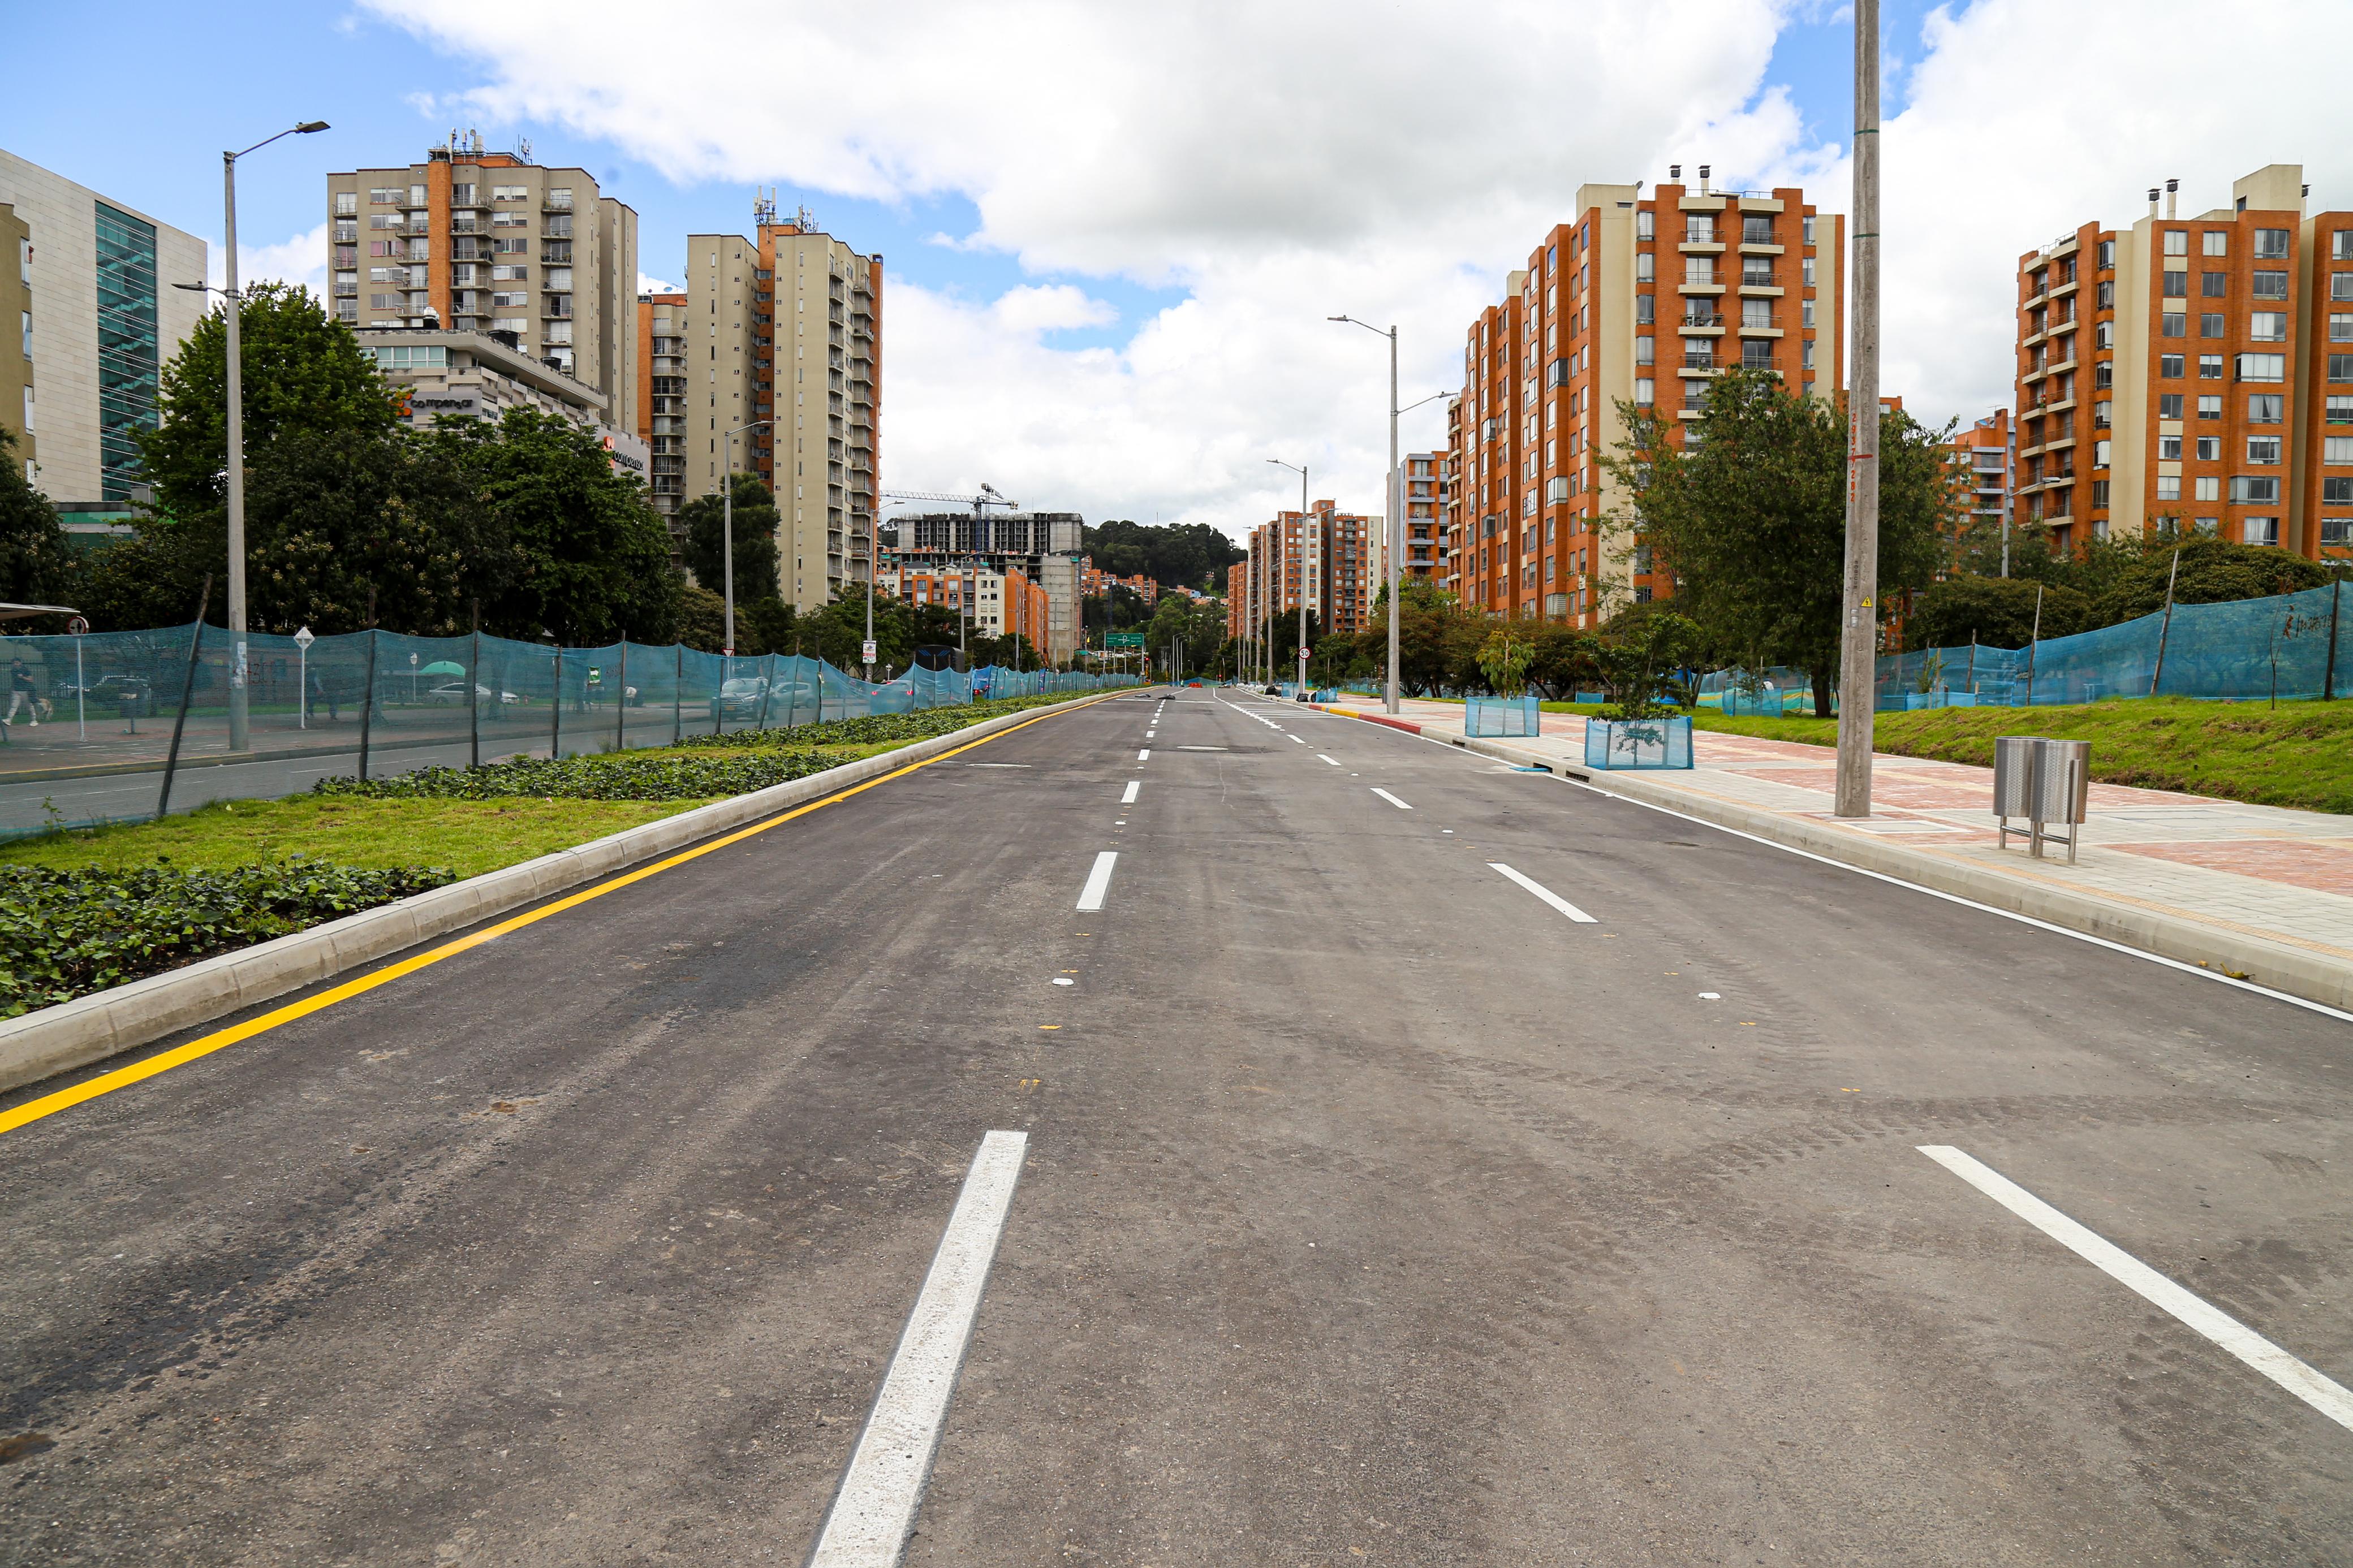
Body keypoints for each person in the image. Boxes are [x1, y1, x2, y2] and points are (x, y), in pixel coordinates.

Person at [6, 657, 38, 728]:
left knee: (29, 706)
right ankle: (9, 720)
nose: (15, 664)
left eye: (17, 663)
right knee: (14, 706)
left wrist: (23, 677)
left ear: (20, 663)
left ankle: (34, 720)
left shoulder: (25, 670)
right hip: (16, 691)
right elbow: (14, 680)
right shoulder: (13, 671)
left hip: (25, 691)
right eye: (14, 663)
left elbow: (31, 680)